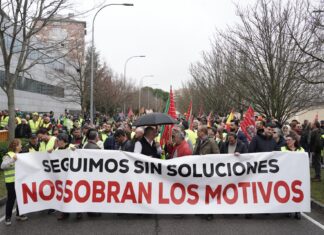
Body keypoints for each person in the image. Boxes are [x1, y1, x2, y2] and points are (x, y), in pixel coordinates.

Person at [193, 125, 219, 221]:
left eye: (198, 131)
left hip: (208, 170)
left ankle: (209, 212)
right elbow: (195, 153)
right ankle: (201, 209)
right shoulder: (198, 140)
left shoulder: (211, 141)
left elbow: (217, 155)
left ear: (203, 132)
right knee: (200, 190)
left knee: (208, 191)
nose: (197, 132)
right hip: (199, 169)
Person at [1, 139, 28, 226]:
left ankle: (19, 214)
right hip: (11, 182)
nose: (21, 146)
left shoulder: (20, 155)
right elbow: (3, 166)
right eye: (20, 145)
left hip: (19, 180)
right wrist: (13, 159)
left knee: (20, 198)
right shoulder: (8, 155)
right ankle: (8, 218)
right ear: (16, 146)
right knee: (11, 199)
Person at [280, 134, 304, 220]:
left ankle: (298, 211)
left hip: (298, 174)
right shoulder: (283, 149)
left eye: (289, 139)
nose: (287, 141)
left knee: (297, 193)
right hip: (287, 174)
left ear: (294, 140)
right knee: (288, 191)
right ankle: (288, 210)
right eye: (286, 140)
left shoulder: (301, 149)